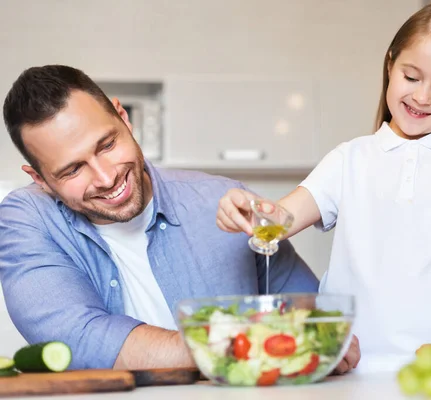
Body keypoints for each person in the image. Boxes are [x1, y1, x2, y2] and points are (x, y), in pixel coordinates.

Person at [0, 65, 360, 372]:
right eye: (73, 169)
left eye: (107, 145)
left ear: (122, 117)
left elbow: (318, 321)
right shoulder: (25, 219)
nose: (106, 177)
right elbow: (77, 337)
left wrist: (330, 343)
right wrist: (245, 347)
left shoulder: (220, 200)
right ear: (40, 179)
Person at [217, 3, 431, 372]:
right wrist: (247, 210)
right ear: (390, 66)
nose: (422, 97)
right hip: (347, 369)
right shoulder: (348, 158)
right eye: (412, 77)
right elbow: (281, 220)